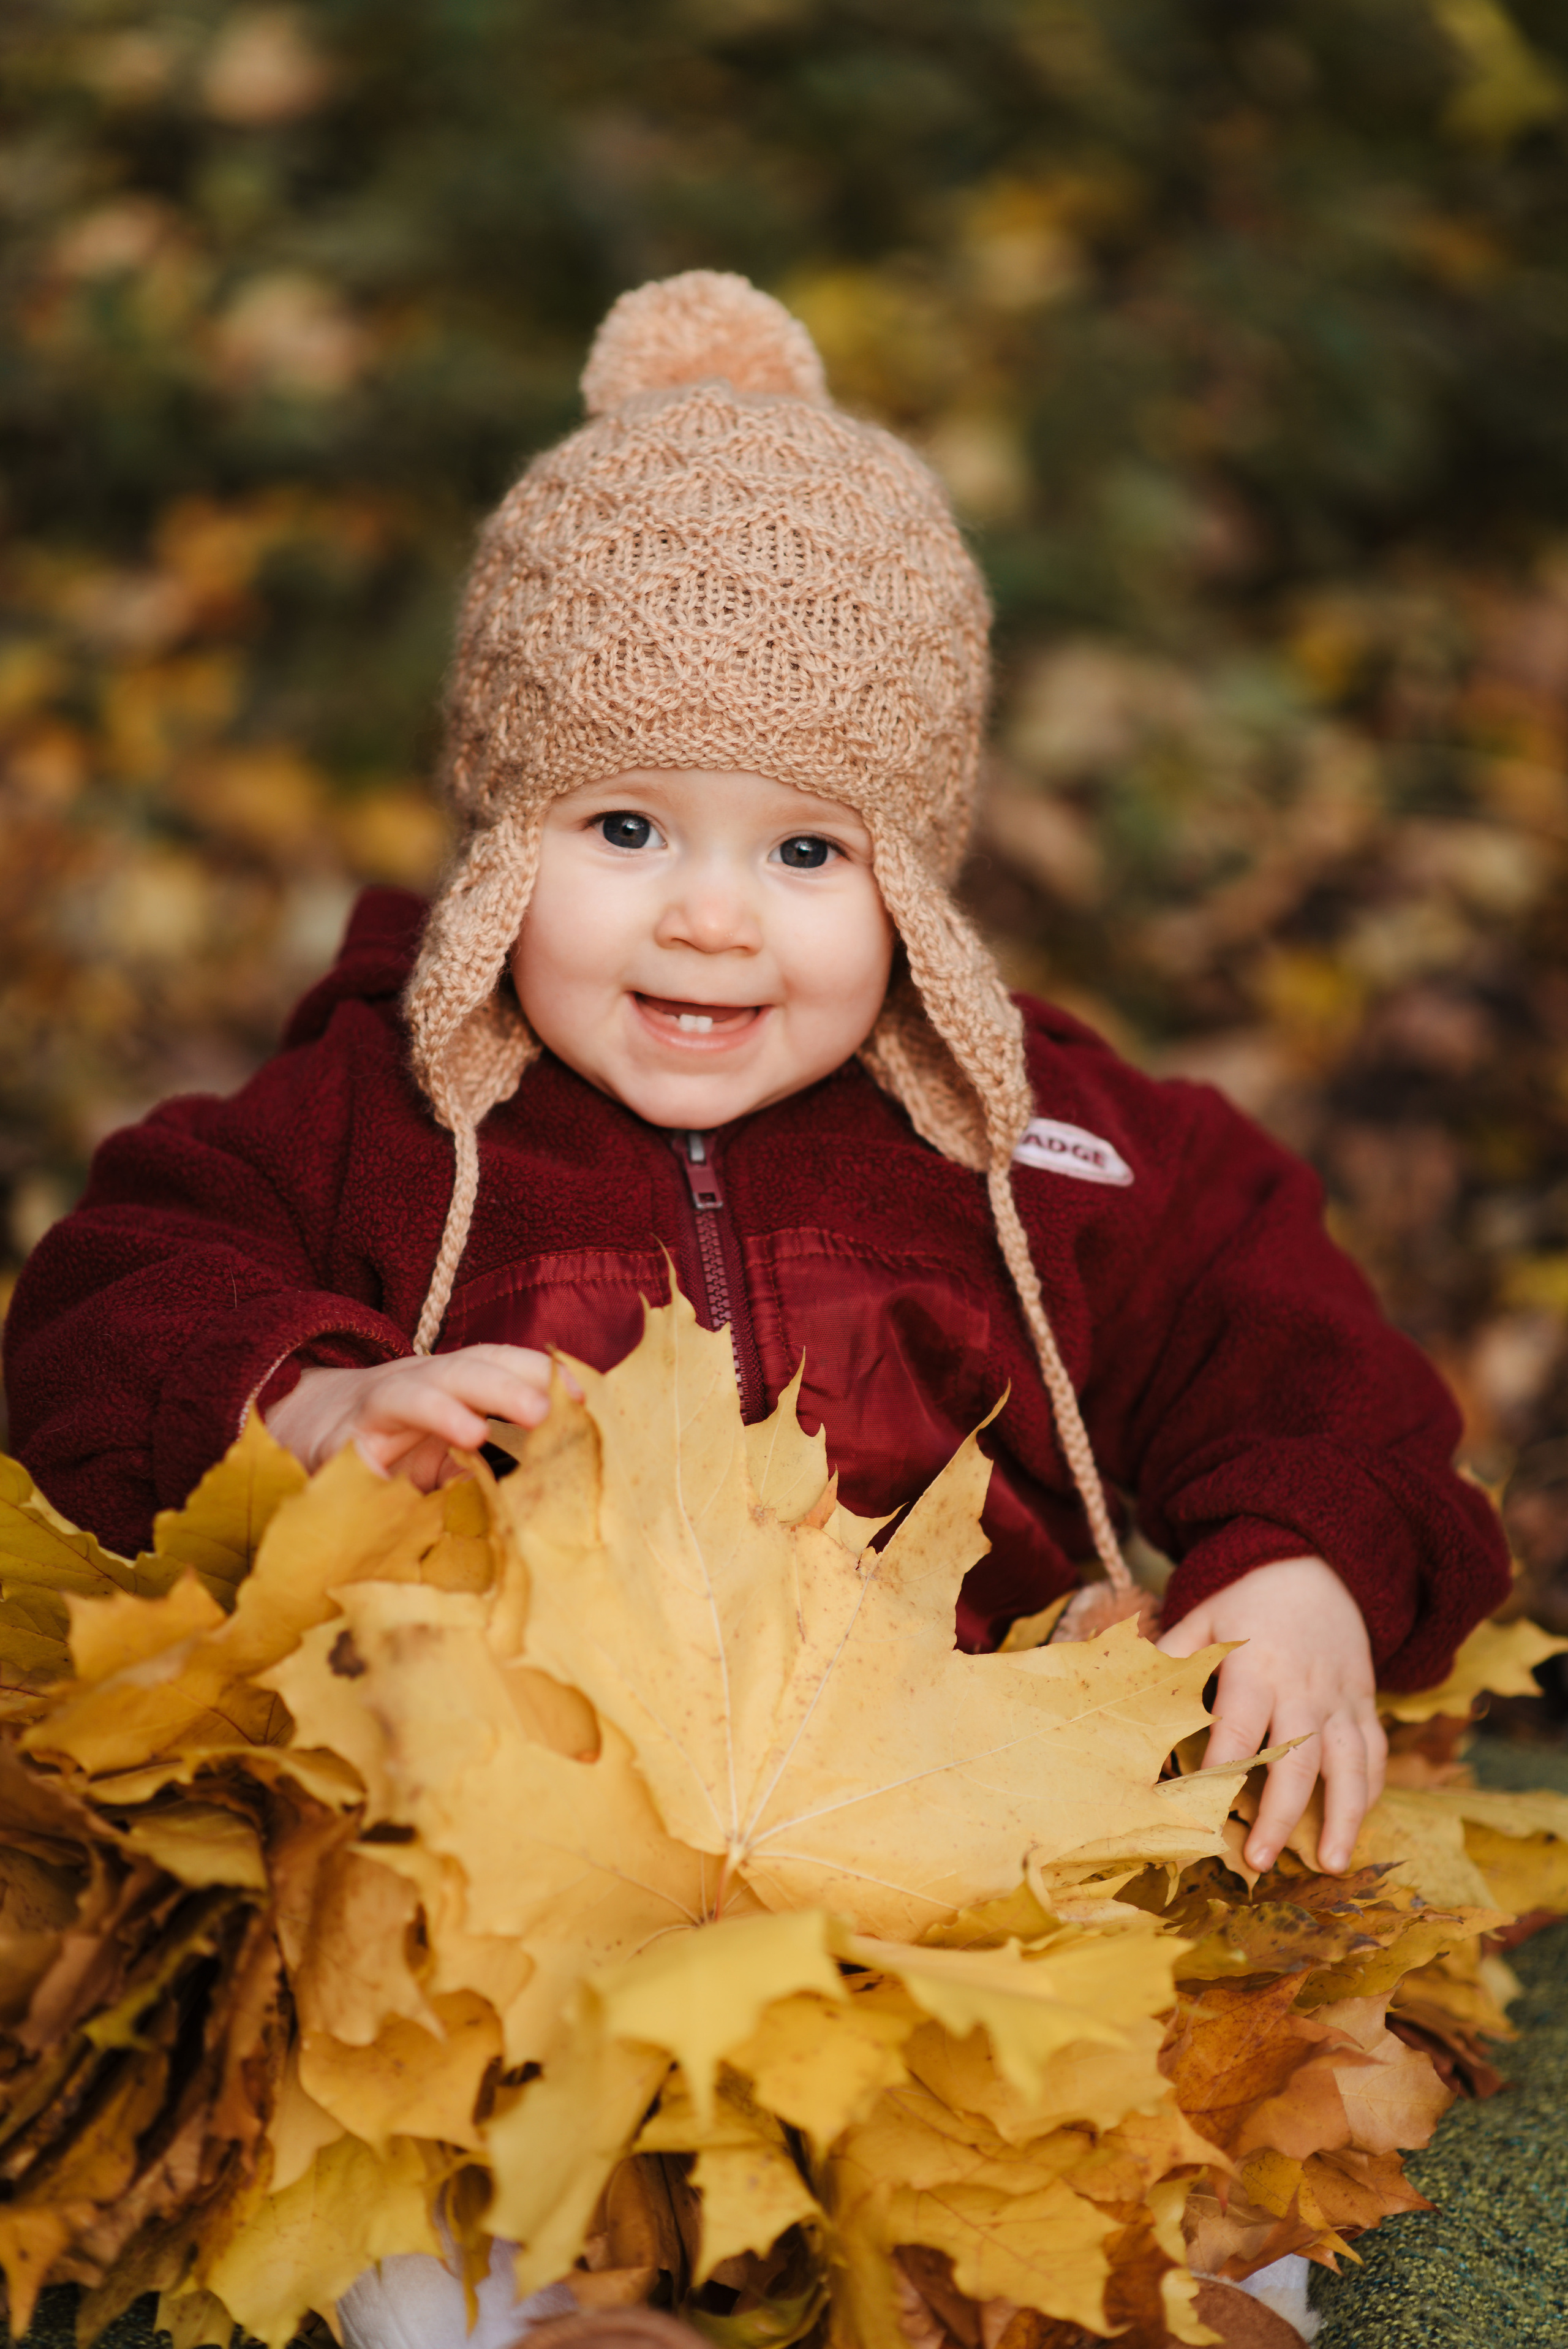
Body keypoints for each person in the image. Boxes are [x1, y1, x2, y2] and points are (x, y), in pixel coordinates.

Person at [4, 270, 1509, 1884]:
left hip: (964, 1840)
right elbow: (109, 1296)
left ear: (912, 878)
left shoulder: (1023, 1138)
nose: (711, 918)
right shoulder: (381, 1114)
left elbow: (1280, 1333)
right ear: (502, 837)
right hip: (500, 1835)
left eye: (806, 850)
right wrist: (302, 1400)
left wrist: (1305, 1560)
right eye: (626, 828)